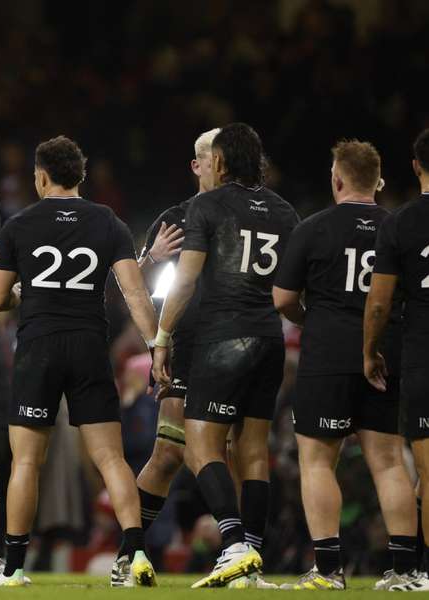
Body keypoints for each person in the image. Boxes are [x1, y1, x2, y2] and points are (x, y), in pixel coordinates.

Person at [0, 135, 159, 587]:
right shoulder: (109, 223)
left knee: (26, 462)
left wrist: (25, 293)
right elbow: (134, 292)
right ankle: (137, 554)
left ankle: (15, 567)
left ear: (40, 177)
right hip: (88, 347)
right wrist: (158, 344)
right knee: (111, 458)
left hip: (39, 346)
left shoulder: (18, 225)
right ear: (80, 176)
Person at [151, 123, 299, 588]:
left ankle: (233, 544)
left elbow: (187, 280)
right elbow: (289, 289)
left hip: (222, 339)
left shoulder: (207, 205)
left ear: (219, 161)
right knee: (254, 452)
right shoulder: (284, 211)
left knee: (200, 446)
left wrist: (161, 337)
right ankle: (252, 559)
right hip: (270, 339)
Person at [273, 140, 419, 590]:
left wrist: (313, 319)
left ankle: (328, 570)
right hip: (386, 355)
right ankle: (406, 570)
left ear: (336, 179)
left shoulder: (313, 228)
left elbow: (282, 299)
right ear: (378, 181)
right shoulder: (400, 227)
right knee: (390, 462)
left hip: (328, 355)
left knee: (318, 461)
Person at [134, 129, 217, 536]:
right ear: (196, 165)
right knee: (168, 453)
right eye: (210, 159)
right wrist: (152, 257)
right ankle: (128, 553)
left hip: (232, 348)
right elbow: (128, 287)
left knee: (230, 456)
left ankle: (241, 553)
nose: (217, 167)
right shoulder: (173, 220)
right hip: (182, 348)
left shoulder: (244, 215)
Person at [365, 127, 429, 592]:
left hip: (422, 353)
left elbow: (381, 302)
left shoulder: (401, 223)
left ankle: (418, 571)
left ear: (415, 166)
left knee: (428, 470)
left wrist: (370, 349)